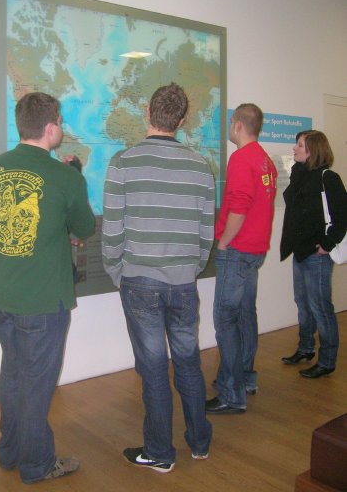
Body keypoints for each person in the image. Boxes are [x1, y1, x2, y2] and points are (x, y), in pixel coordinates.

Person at [0, 92, 95, 483]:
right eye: (59, 120)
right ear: (49, 128)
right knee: (36, 384)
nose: (60, 126)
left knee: (13, 373)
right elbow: (84, 228)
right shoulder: (65, 176)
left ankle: (10, 452)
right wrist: (73, 181)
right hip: (41, 299)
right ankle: (36, 464)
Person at [102, 83, 215, 473]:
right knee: (188, 363)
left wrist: (116, 272)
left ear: (148, 112)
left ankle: (160, 453)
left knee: (153, 370)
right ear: (182, 120)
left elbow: (112, 230)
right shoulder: (201, 167)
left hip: (140, 283)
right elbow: (206, 234)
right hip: (183, 283)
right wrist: (191, 268)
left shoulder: (123, 163)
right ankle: (199, 442)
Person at [205, 103, 277, 415]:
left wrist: (223, 242)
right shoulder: (264, 160)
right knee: (245, 315)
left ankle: (231, 394)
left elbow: (239, 206)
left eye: (231, 122)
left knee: (226, 320)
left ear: (238, 125)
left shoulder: (241, 158)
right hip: (255, 251)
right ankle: (244, 378)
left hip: (237, 251)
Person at [280, 130, 347, 378]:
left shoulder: (328, 178)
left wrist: (326, 245)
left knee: (320, 306)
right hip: (300, 251)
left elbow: (342, 216)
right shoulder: (300, 174)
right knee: (302, 303)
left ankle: (327, 361)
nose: (294, 148)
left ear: (313, 150)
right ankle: (306, 348)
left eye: (299, 145)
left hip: (317, 254)